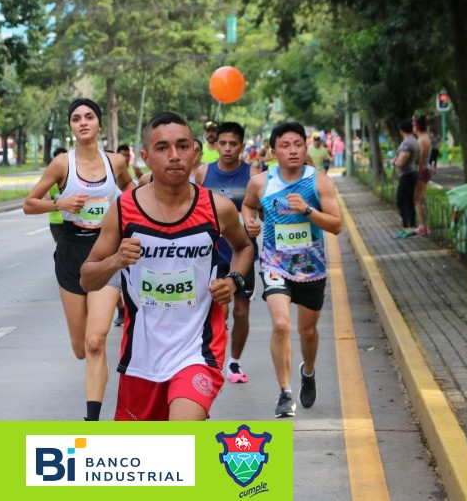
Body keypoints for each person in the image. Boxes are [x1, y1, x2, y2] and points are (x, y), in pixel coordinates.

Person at [80, 112, 254, 421]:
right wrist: (116, 260)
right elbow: (87, 279)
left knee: (179, 433)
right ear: (145, 157)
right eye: (162, 148)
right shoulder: (124, 209)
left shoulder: (218, 208)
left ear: (195, 153)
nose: (174, 155)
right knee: (150, 451)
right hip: (142, 357)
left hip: (198, 349)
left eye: (182, 146)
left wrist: (233, 281)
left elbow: (244, 247)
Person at [23, 98, 134, 422]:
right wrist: (60, 203)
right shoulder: (62, 164)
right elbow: (30, 203)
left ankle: (92, 420)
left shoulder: (116, 162)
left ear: (99, 123)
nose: (83, 122)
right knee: (81, 347)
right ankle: (96, 375)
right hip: (71, 252)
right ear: (71, 126)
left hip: (106, 252)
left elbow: (131, 191)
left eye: (89, 117)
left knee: (96, 341)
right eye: (76, 118)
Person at [242, 121, 342, 418]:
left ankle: (308, 371)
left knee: (307, 331)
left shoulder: (319, 182)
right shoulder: (260, 182)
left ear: (305, 147)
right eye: (285, 146)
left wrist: (308, 210)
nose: (293, 150)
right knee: (282, 324)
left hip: (311, 267)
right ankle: (285, 393)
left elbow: (336, 225)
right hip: (275, 264)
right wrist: (250, 222)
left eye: (298, 144)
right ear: (274, 151)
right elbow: (248, 205)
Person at [196, 122, 260, 385]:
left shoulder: (253, 174)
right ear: (216, 144)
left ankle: (234, 360)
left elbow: (262, 209)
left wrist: (254, 222)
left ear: (242, 146)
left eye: (233, 144)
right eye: (222, 143)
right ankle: (214, 359)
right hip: (211, 253)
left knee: (241, 312)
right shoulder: (203, 172)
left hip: (242, 251)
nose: (227, 148)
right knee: (219, 312)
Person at [392, 120, 420, 239]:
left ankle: (406, 228)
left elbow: (401, 161)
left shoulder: (406, 144)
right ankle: (412, 227)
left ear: (401, 130)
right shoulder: (415, 141)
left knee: (401, 201)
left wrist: (394, 161)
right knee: (409, 202)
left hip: (406, 175)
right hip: (413, 173)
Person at [413, 117, 432, 236]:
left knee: (418, 198)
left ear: (417, 127)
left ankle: (423, 225)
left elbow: (420, 158)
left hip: (421, 170)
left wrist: (417, 172)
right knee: (420, 198)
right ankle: (424, 225)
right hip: (424, 170)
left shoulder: (422, 140)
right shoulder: (425, 138)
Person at [47, 147, 68, 243]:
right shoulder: (50, 176)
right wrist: (55, 201)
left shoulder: (74, 175)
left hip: (72, 220)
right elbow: (45, 195)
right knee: (61, 247)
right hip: (56, 221)